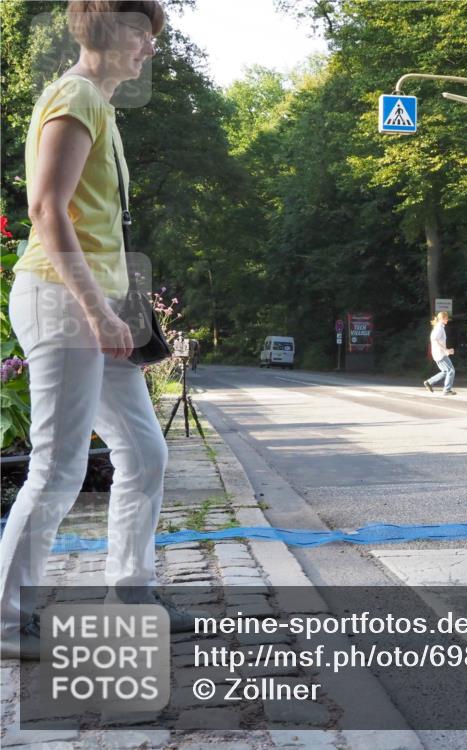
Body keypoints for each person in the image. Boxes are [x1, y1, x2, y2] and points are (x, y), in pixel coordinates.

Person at [0, 0, 194, 661]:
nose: (149, 47)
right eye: (142, 32)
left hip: (91, 309)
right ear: (107, 29)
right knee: (57, 467)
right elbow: (47, 210)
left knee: (144, 453)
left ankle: (130, 594)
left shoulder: (97, 106)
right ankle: (5, 622)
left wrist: (117, 312)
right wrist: (98, 310)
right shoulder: (76, 96)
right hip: (63, 303)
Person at [423, 311, 456, 395]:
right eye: (446, 318)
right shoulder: (439, 328)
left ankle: (429, 382)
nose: (447, 319)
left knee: (445, 371)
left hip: (440, 353)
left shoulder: (440, 327)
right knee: (451, 370)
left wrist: (447, 350)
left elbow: (439, 341)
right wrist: (445, 350)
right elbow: (434, 339)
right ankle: (447, 390)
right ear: (442, 318)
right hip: (440, 354)